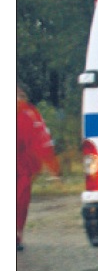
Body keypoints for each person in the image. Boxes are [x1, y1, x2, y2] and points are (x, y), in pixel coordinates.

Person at [17, 85, 60, 250]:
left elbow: (41, 140)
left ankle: (16, 235)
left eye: (21, 96)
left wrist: (52, 166)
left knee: (20, 200)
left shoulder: (29, 114)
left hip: (23, 166)